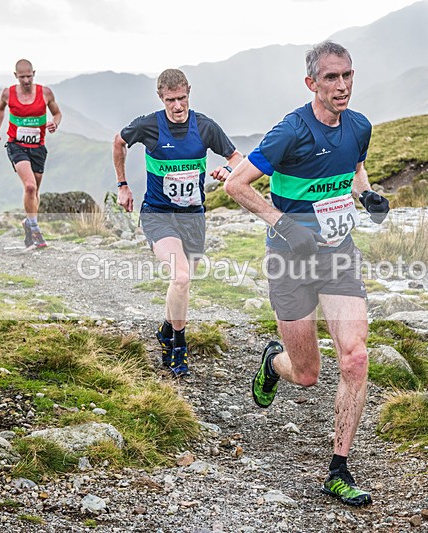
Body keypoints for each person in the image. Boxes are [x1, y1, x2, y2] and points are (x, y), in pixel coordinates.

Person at [224, 40, 390, 507]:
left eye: (348, 76)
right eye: (332, 78)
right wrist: (284, 224)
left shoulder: (359, 127)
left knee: (355, 357)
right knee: (307, 373)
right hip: (290, 260)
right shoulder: (290, 132)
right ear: (311, 83)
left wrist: (367, 196)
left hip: (338, 255)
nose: (342, 86)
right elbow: (236, 185)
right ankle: (274, 362)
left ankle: (338, 469)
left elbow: (355, 171)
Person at [113, 68, 243, 378]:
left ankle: (165, 328)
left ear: (189, 93)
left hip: (193, 218)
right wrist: (123, 185)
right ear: (161, 98)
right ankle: (177, 346)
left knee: (182, 283)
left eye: (182, 98)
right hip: (158, 214)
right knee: (181, 277)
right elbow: (119, 142)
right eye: (170, 100)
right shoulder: (149, 126)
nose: (177, 106)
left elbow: (237, 158)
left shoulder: (205, 126)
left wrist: (229, 171)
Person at [0, 59, 63, 249]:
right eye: (22, 76)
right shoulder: (8, 93)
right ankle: (35, 230)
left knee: (35, 192)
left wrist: (54, 124)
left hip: (38, 147)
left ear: (34, 73)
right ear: (15, 76)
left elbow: (57, 113)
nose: (25, 80)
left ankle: (28, 223)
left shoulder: (45, 92)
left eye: (29, 76)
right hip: (16, 145)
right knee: (30, 187)